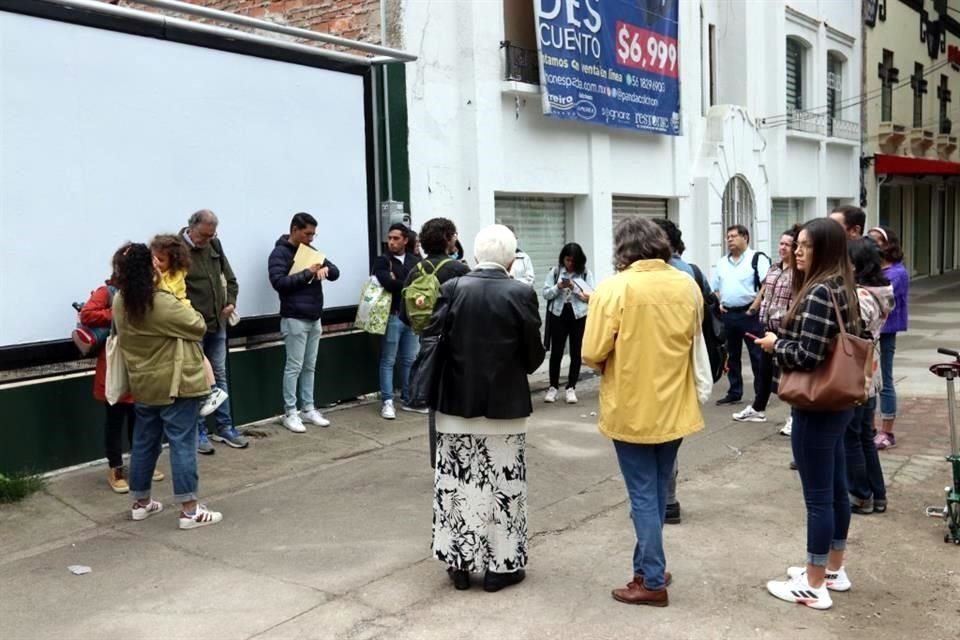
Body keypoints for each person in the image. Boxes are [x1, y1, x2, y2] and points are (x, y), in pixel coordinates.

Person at [582, 217, 711, 607]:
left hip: (632, 405)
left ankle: (652, 579)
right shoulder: (686, 285)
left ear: (622, 249)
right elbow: (694, 332)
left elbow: (591, 353)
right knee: (655, 489)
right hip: (675, 404)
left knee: (643, 494)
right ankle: (647, 566)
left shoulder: (613, 289)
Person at [427, 224, 545, 592]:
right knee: (503, 488)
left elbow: (432, 338)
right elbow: (532, 357)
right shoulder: (521, 293)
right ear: (511, 258)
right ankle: (501, 567)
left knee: (457, 486)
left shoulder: (451, 288)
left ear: (476, 255)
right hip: (504, 407)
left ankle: (459, 563)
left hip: (454, 405)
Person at [754, 217, 864, 610]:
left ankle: (814, 583)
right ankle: (832, 569)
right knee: (834, 491)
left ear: (826, 249)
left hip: (817, 405)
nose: (797, 251)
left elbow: (808, 354)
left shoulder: (819, 291)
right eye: (796, 244)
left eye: (806, 245)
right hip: (839, 403)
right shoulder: (842, 286)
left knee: (819, 497)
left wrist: (775, 345)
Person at [113, 243, 223, 530]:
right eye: (154, 262)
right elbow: (198, 324)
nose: (159, 265)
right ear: (148, 268)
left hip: (143, 384)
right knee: (182, 444)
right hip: (176, 385)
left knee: (144, 443)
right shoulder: (161, 301)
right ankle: (189, 511)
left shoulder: (120, 302)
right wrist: (164, 288)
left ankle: (140, 503)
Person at [79, 247, 164, 493]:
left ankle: (141, 463)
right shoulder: (107, 291)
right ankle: (115, 468)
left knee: (141, 419)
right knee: (114, 419)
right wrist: (117, 311)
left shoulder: (150, 291)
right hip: (116, 363)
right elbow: (88, 314)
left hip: (142, 362)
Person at [652, 217, 710, 525]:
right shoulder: (689, 271)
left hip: (666, 366)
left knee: (660, 440)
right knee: (668, 437)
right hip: (681, 366)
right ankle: (667, 500)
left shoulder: (676, 273)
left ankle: (665, 501)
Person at [400, 217, 470, 467]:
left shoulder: (414, 271)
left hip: (427, 342)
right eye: (454, 235)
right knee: (459, 400)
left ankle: (438, 461)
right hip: (456, 347)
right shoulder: (460, 270)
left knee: (434, 403)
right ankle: (460, 458)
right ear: (448, 238)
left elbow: (404, 315)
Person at [268, 212, 341, 433]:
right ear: (295, 230)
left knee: (309, 366)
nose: (311, 238)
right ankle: (291, 412)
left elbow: (335, 272)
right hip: (294, 317)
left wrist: (327, 270)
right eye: (307, 233)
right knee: (294, 367)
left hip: (314, 316)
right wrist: (306, 273)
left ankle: (308, 408)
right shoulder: (279, 253)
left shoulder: (312, 251)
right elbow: (278, 282)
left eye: (313, 234)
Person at [180, 209, 246, 453]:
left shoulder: (215, 245)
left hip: (218, 324)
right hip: (193, 328)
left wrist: (230, 301)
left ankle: (225, 427)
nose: (207, 240)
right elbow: (175, 291)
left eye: (211, 235)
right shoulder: (177, 249)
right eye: (203, 236)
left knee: (219, 374)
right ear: (191, 227)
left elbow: (230, 279)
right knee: (197, 380)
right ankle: (199, 432)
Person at [150, 234, 229, 419]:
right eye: (153, 258)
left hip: (182, 316)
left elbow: (166, 294)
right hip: (172, 319)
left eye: (161, 260)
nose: (156, 263)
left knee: (197, 352)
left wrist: (158, 276)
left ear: (173, 260)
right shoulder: (162, 272)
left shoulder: (177, 274)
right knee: (193, 353)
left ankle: (212, 388)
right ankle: (209, 390)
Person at [845, 238, 894, 515]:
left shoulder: (861, 296)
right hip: (870, 371)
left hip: (857, 371)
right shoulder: (882, 290)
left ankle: (861, 496)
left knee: (852, 436)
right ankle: (878, 494)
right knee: (864, 435)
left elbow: (854, 334)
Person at [734, 226, 801, 428]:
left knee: (789, 374)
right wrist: (753, 309)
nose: (783, 248)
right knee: (764, 371)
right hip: (767, 327)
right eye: (781, 243)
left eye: (788, 245)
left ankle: (794, 416)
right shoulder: (774, 268)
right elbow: (765, 291)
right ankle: (758, 408)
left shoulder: (799, 272)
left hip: (787, 329)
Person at [711, 225, 770, 406]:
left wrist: (753, 308)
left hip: (750, 314)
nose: (729, 240)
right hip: (729, 315)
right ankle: (734, 391)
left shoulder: (756, 259)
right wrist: (721, 303)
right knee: (731, 355)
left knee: (756, 355)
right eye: (728, 237)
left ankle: (761, 394)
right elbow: (716, 287)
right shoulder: (722, 263)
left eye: (734, 236)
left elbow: (766, 286)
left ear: (745, 238)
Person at [374, 223, 422, 419]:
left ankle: (408, 397)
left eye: (396, 238)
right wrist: (406, 284)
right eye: (390, 238)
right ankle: (387, 400)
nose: (391, 242)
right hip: (393, 315)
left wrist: (399, 282)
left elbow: (423, 282)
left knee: (410, 360)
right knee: (389, 360)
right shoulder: (382, 260)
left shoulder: (414, 259)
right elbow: (388, 283)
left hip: (411, 317)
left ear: (405, 240)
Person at [867, 226, 909, 450]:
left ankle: (887, 431)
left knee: (885, 380)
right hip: (869, 331)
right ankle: (870, 427)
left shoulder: (897, 273)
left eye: (877, 241)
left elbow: (882, 296)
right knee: (868, 381)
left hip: (885, 332)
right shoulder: (872, 270)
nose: (873, 246)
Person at [542, 243, 595, 404]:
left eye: (573, 261)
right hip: (558, 313)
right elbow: (545, 294)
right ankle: (553, 387)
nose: (569, 264)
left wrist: (574, 288)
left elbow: (590, 297)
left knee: (575, 351)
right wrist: (558, 286)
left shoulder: (585, 273)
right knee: (556, 352)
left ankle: (571, 387)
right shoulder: (556, 271)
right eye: (567, 260)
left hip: (578, 315)